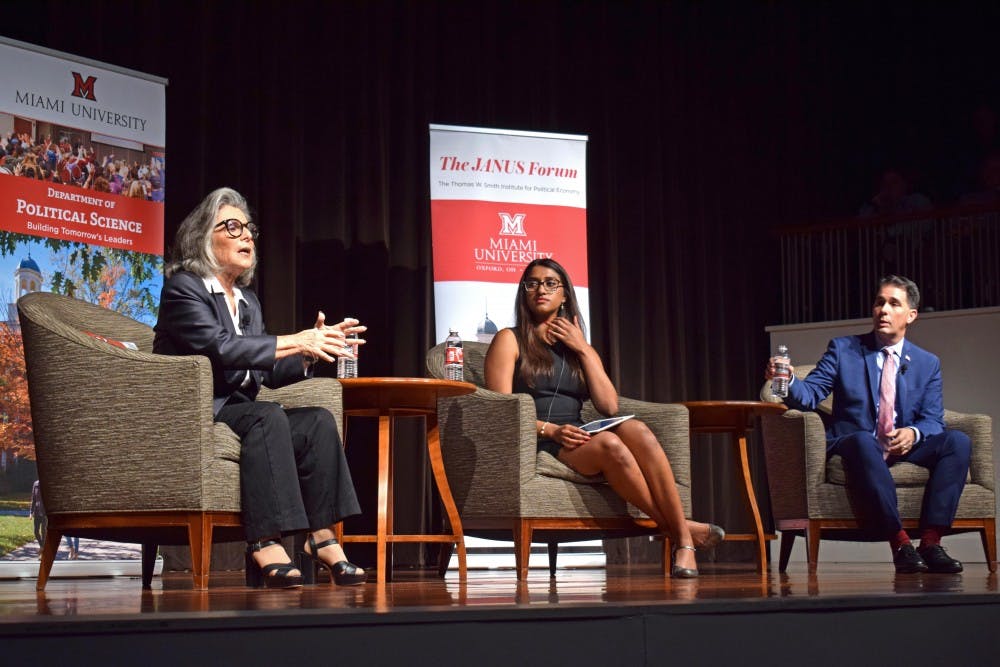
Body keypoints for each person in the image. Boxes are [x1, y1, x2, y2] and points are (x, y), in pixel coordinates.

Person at [154, 187, 367, 588]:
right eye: (233, 227)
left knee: (318, 421)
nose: (247, 236)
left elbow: (263, 371)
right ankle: (265, 540)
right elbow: (222, 347)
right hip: (198, 409)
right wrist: (296, 340)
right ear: (203, 236)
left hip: (239, 408)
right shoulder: (184, 288)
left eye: (249, 228)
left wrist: (309, 353)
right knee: (267, 417)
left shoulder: (247, 301)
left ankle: (321, 537)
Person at [484, 258, 724, 578]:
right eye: (533, 283)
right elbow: (499, 412)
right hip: (538, 440)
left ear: (565, 295)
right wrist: (550, 430)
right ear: (524, 292)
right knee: (610, 444)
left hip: (576, 434)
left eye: (551, 283)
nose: (541, 289)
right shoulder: (509, 339)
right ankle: (682, 536)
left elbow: (609, 406)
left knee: (637, 429)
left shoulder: (578, 347)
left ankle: (679, 535)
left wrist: (583, 349)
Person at [765, 275, 970, 574]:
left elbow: (933, 420)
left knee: (958, 441)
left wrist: (913, 433)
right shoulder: (843, 349)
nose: (883, 310)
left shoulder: (927, 363)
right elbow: (810, 395)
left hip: (901, 445)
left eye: (893, 303)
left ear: (911, 315)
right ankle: (900, 543)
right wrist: (789, 379)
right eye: (879, 302)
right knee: (863, 440)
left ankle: (930, 543)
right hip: (857, 442)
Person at [29, 480, 46, 549]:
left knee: (43, 531)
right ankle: (42, 545)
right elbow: (33, 499)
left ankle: (42, 548)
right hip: (37, 512)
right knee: (36, 532)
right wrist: (31, 512)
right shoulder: (35, 484)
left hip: (45, 512)